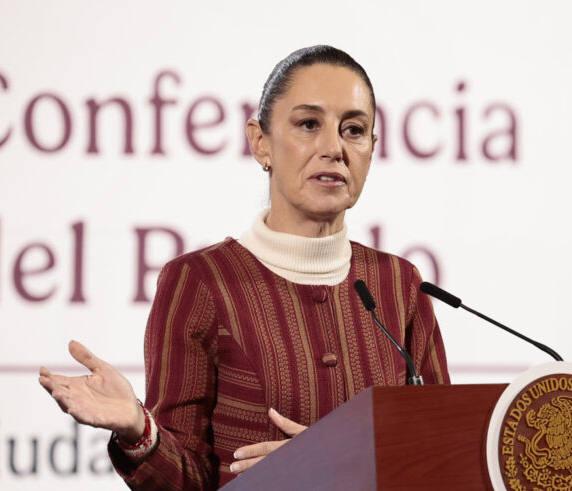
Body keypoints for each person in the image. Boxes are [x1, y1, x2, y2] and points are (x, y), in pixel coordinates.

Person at [39, 45, 450, 490]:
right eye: (308, 125)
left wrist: (341, 468)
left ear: (371, 148)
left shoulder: (399, 286)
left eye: (354, 130)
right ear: (260, 142)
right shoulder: (199, 283)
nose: (333, 148)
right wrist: (140, 432)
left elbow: (446, 459)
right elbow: (190, 479)